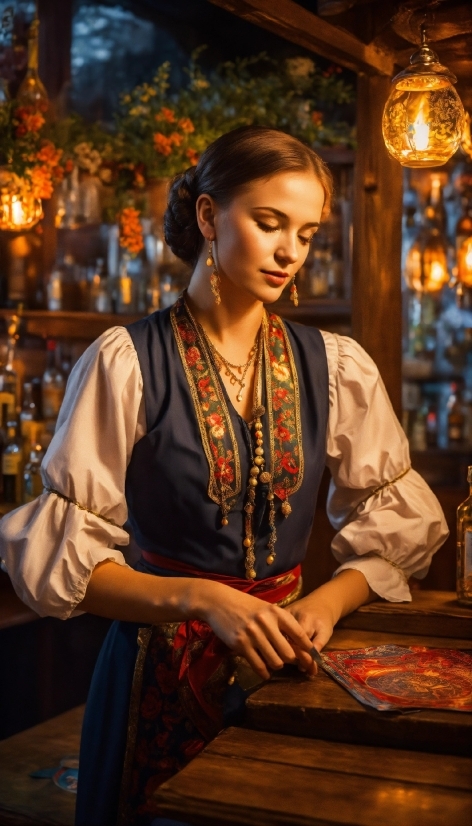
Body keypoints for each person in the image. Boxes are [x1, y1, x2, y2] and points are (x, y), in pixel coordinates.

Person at [0, 126, 448, 826]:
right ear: (209, 217)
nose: (289, 252)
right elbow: (68, 564)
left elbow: (395, 529)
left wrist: (324, 605)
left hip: (284, 672)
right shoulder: (126, 361)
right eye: (269, 223)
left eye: (305, 232)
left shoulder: (336, 365)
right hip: (154, 684)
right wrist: (203, 599)